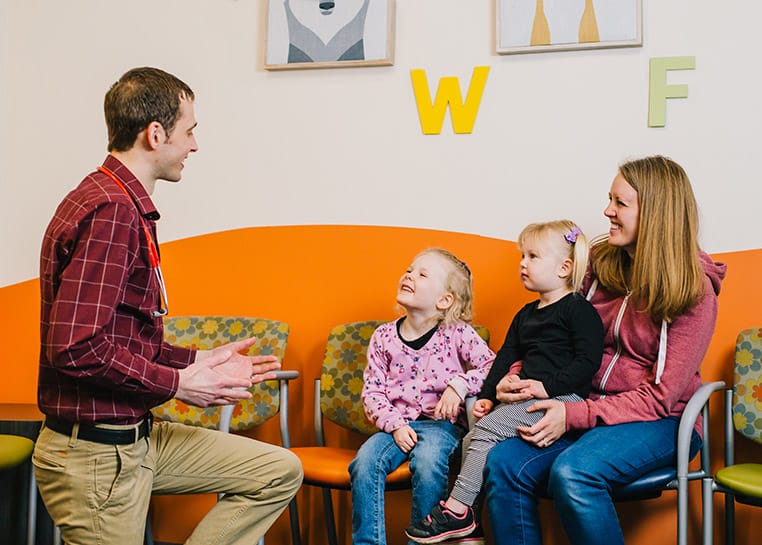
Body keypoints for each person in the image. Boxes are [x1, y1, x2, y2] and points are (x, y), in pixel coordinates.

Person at [33, 67, 303, 545]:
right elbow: (74, 347)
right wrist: (179, 382)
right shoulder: (111, 210)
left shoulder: (119, 201)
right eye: (190, 129)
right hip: (97, 453)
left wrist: (195, 361)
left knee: (276, 471)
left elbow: (118, 335)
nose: (195, 144)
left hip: (137, 438)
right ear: (155, 134)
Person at [481, 156, 726, 545]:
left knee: (574, 471)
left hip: (659, 421)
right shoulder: (599, 264)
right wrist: (516, 375)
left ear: (656, 212)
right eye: (609, 199)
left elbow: (662, 398)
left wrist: (575, 414)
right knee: (502, 463)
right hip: (578, 403)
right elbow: (552, 336)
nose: (607, 212)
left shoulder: (692, 290)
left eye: (620, 203)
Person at [406, 220, 604, 544]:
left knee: (486, 431)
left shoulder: (578, 311)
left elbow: (587, 362)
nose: (523, 264)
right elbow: (503, 358)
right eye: (521, 256)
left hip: (563, 401)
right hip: (528, 400)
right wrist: (486, 395)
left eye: (533, 256)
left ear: (564, 267)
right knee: (473, 440)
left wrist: (547, 387)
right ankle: (470, 520)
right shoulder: (526, 314)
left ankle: (456, 510)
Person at [349, 248, 496, 545]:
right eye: (409, 269)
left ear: (444, 300)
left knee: (429, 462)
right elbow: (372, 391)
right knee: (364, 462)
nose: (409, 275)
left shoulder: (457, 333)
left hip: (441, 427)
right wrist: (394, 424)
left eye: (422, 274)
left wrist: (459, 385)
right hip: (395, 426)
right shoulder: (383, 337)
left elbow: (493, 366)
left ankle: (422, 541)